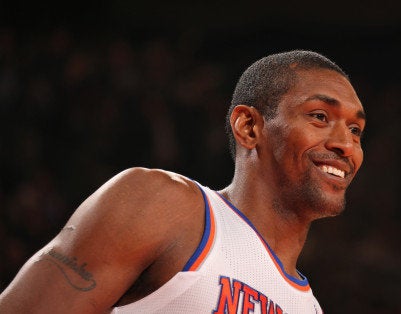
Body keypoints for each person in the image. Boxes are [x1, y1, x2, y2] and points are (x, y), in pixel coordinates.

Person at [0, 50, 366, 313]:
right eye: (320, 116)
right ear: (249, 127)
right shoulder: (162, 205)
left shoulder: (309, 307)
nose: (346, 144)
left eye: (356, 130)